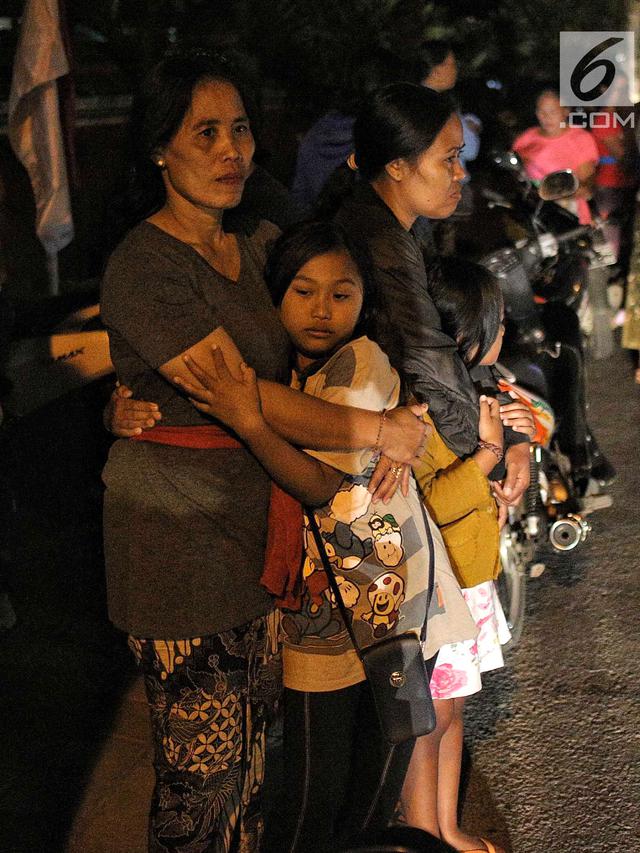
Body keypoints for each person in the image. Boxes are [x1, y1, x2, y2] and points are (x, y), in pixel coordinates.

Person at [100, 50, 427, 853]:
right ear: (158, 149)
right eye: (204, 132)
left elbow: (332, 301)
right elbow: (243, 391)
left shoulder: (254, 239)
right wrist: (381, 431)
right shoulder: (145, 264)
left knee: (249, 773)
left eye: (240, 129)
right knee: (198, 783)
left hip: (259, 543)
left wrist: (407, 398)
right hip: (178, 544)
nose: (230, 150)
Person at [174, 219, 478, 853]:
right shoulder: (293, 373)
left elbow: (328, 490)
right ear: (276, 294)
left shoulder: (358, 368)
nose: (321, 310)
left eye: (341, 294)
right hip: (345, 610)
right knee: (332, 787)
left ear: (365, 300)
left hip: (379, 610)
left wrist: (251, 422)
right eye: (303, 291)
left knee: (338, 795)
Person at [331, 82, 532, 508]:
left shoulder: (399, 227)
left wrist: (506, 431)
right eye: (450, 159)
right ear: (399, 165)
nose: (460, 173)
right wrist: (489, 460)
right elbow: (428, 357)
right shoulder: (377, 241)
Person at [400, 258, 515, 853]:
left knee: (453, 714)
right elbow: (429, 504)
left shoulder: (470, 398)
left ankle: (445, 826)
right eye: (497, 325)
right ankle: (426, 834)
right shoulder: (422, 411)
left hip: (471, 583)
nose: (505, 335)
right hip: (441, 590)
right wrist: (485, 462)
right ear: (467, 338)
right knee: (432, 720)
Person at [512, 89, 599, 225]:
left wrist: (553, 193)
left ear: (565, 111)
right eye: (542, 112)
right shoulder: (526, 139)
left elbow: (585, 185)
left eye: (553, 112)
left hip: (569, 215)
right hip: (533, 214)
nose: (547, 117)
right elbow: (515, 173)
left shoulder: (580, 138)